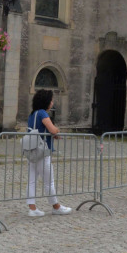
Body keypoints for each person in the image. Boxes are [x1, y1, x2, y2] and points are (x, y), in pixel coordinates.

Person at [25, 88, 74, 217]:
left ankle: (32, 208)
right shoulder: (42, 114)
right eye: (51, 100)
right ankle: (56, 206)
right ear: (46, 101)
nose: (52, 103)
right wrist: (56, 131)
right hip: (42, 151)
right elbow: (52, 129)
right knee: (49, 181)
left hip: (32, 151)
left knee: (32, 180)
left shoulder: (32, 114)